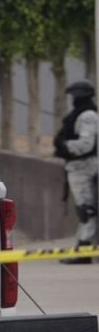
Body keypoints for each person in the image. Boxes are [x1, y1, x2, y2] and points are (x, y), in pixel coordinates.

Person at [54, 80, 98, 265]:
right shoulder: (80, 114)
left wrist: (65, 146)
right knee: (85, 210)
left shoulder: (87, 115)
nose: (72, 98)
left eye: (74, 95)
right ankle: (83, 247)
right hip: (77, 167)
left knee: (86, 210)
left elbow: (86, 144)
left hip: (84, 167)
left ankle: (84, 250)